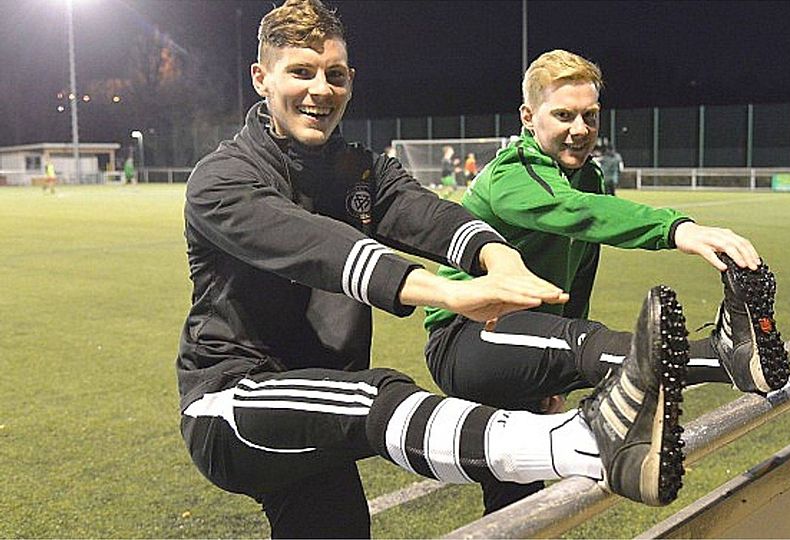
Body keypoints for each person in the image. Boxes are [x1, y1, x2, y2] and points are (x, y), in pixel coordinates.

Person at [177, 4, 692, 537]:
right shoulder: (221, 180)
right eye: (300, 72)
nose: (320, 89)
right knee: (375, 396)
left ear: (350, 81)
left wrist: (498, 257)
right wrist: (444, 292)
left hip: (323, 411)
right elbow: (318, 247)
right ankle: (585, 445)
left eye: (333, 74)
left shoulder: (361, 169)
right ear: (262, 78)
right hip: (235, 399)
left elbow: (426, 212)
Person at [423, 49, 789, 513]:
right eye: (563, 115)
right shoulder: (511, 174)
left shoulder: (589, 176)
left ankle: (729, 357)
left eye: (589, 116)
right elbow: (576, 214)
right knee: (585, 344)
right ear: (527, 117)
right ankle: (724, 357)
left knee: (514, 493)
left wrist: (552, 378)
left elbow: (579, 272)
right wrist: (679, 229)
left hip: (527, 343)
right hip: (467, 340)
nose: (580, 129)